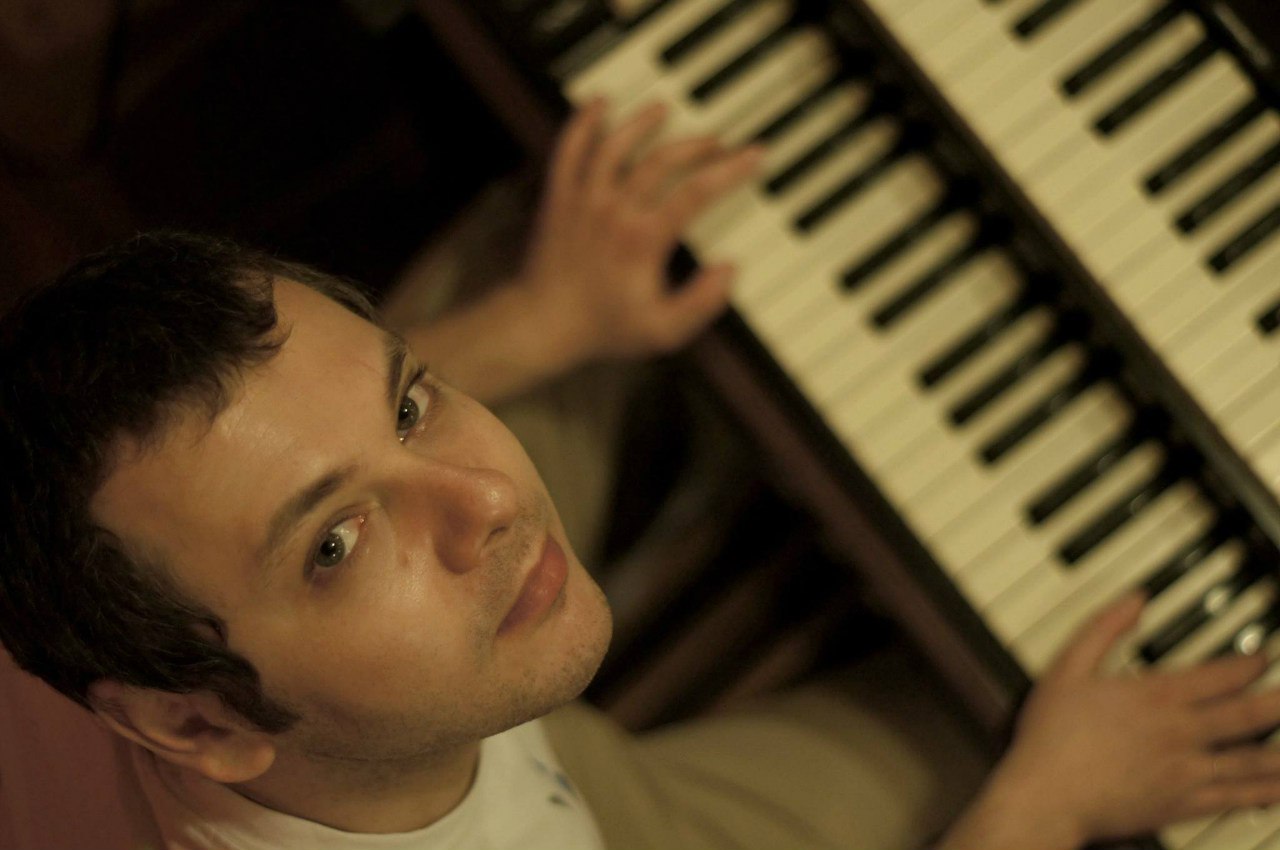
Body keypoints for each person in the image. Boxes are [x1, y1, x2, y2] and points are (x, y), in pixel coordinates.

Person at [3, 104, 1280, 850]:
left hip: (396, 741)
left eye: (409, 398)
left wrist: (544, 318)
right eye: (334, 546)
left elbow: (288, 448)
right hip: (603, 824)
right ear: (194, 725)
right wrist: (1044, 803)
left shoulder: (75, 552)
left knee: (588, 191)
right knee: (1019, 692)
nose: (488, 499)